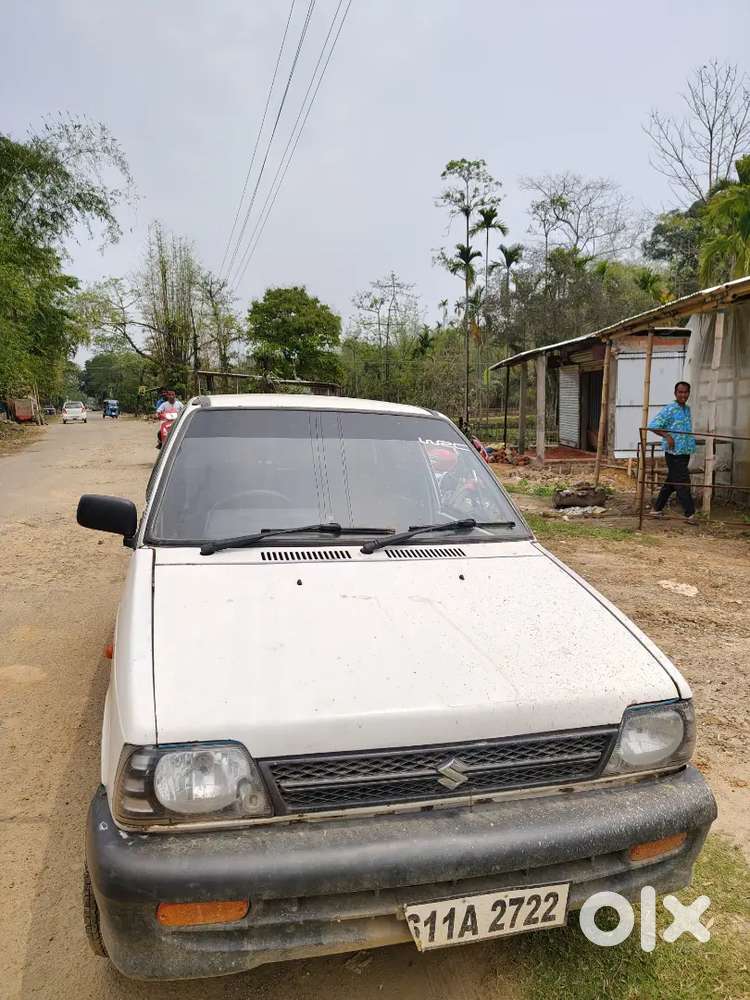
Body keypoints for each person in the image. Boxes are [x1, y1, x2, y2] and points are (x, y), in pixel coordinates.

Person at [647, 381, 697, 523]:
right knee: (683, 481)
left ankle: (656, 509)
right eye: (680, 392)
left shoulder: (687, 409)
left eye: (685, 392)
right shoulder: (669, 409)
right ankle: (690, 514)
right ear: (675, 393)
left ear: (688, 393)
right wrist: (667, 436)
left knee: (671, 482)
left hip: (684, 451)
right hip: (673, 453)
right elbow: (653, 426)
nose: (683, 395)